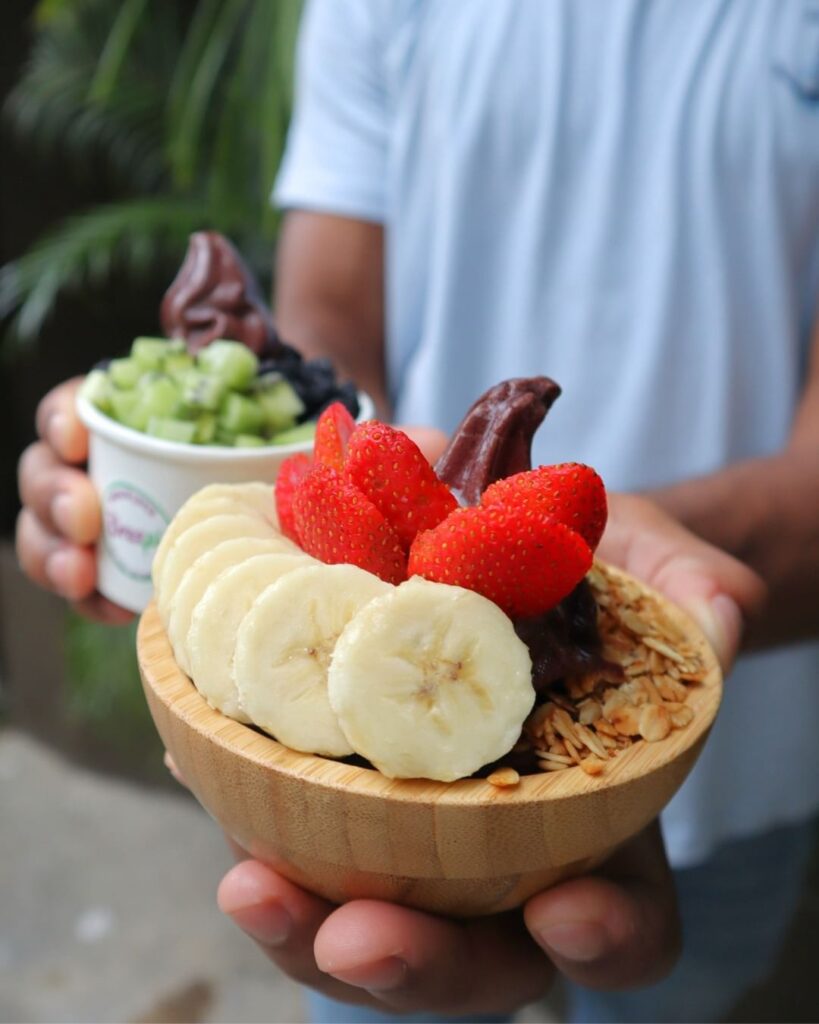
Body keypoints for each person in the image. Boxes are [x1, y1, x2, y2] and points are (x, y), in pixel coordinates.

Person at [15, 0, 819, 1021]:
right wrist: (193, 501)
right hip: (375, 757)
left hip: (729, 752)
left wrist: (569, 567)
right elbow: (329, 324)